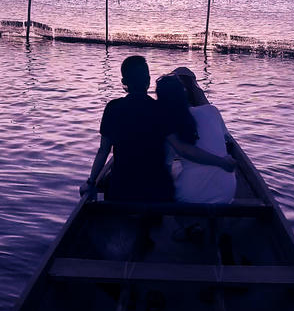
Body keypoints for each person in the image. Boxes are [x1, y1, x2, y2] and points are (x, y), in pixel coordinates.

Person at [81, 56, 234, 201]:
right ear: (148, 81)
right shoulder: (161, 110)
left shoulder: (112, 108)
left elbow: (103, 151)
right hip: (158, 192)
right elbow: (182, 149)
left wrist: (90, 182)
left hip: (121, 190)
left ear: (124, 82)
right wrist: (221, 162)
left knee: (110, 182)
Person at [163, 67, 237, 204]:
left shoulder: (170, 119)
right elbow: (225, 140)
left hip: (191, 196)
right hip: (227, 193)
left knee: (173, 170)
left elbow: (168, 163)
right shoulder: (212, 111)